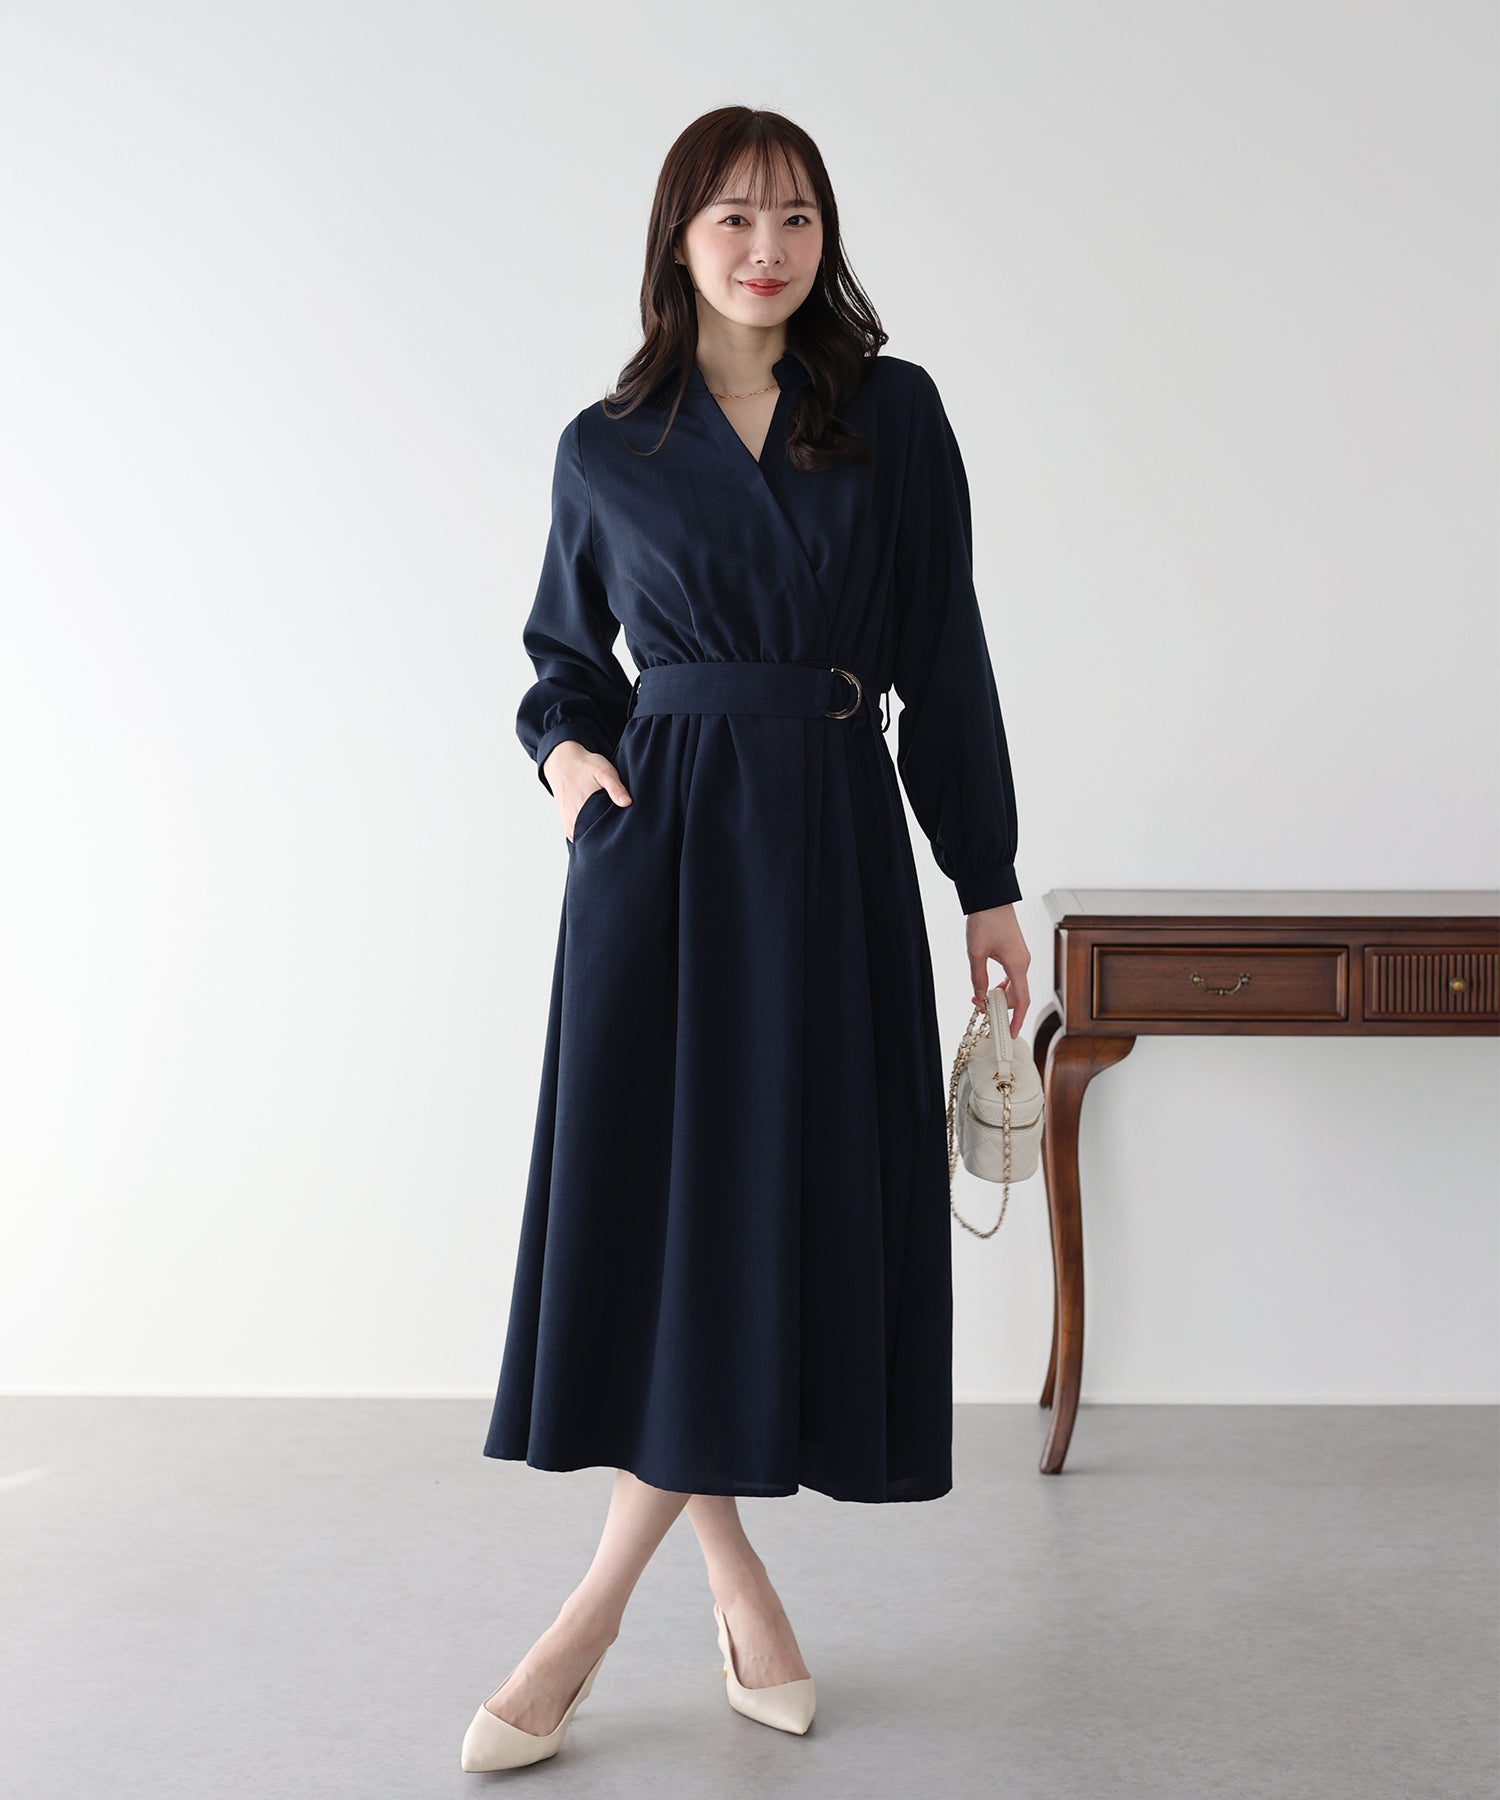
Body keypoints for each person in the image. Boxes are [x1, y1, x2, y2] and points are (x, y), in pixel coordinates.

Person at [461, 106, 1032, 1772]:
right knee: (676, 1223)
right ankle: (709, 1590)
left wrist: (984, 878)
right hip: (663, 856)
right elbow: (564, 664)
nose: (767, 247)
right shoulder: (607, 445)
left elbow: (946, 652)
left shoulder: (892, 416)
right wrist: (569, 766)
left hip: (833, 844)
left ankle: (598, 1614)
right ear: (679, 239)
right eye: (733, 218)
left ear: (823, 235)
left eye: (795, 216)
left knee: (764, 1213)